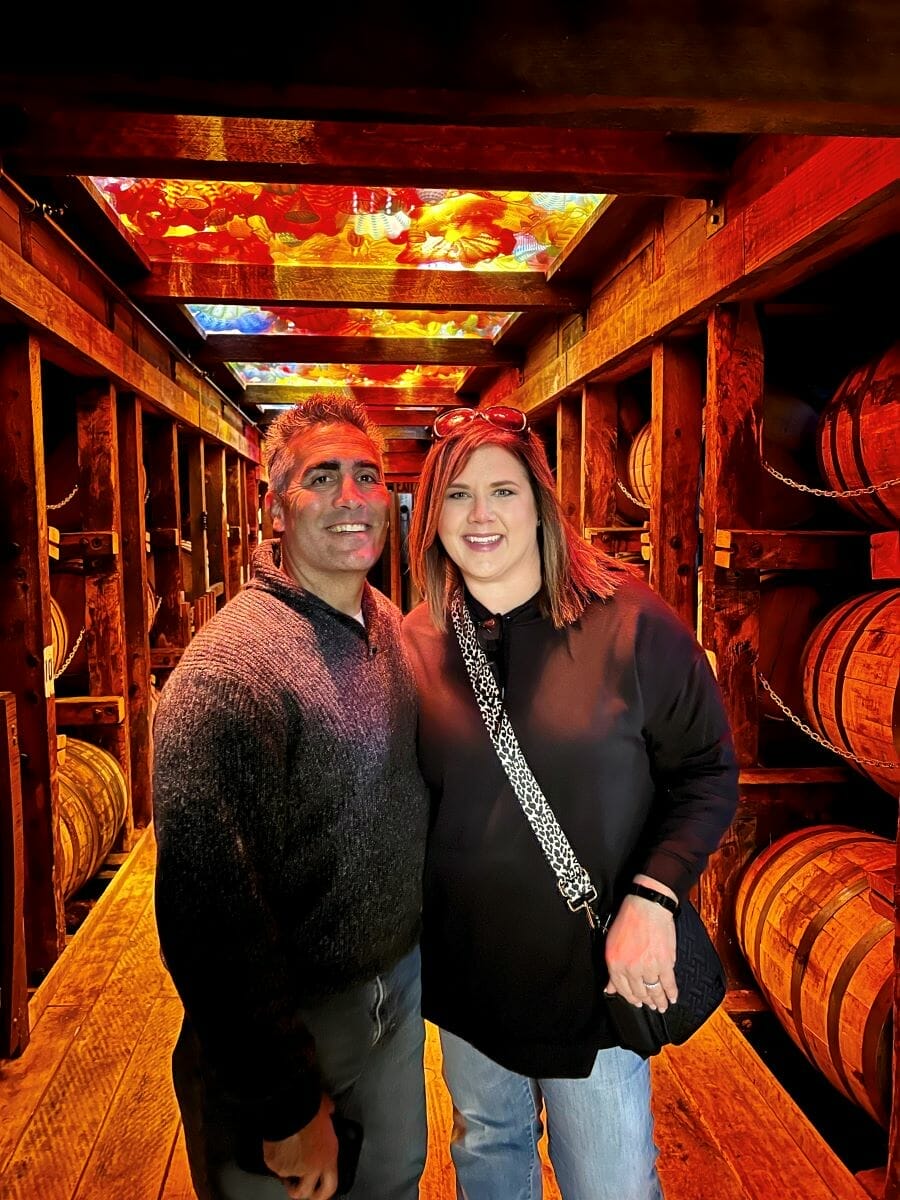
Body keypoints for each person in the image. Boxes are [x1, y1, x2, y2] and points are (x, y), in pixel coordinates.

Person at [401, 405, 739, 1200]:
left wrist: (655, 895)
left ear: (541, 502)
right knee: (488, 1153)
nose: (480, 516)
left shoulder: (632, 623)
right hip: (468, 978)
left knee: (611, 1184)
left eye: (503, 492)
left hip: (592, 976)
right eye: (457, 495)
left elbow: (707, 772)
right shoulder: (416, 641)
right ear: (431, 516)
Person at [152, 395, 430, 1200]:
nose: (352, 497)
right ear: (271, 505)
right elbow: (210, 923)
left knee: (395, 1180)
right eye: (322, 477)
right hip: (293, 1029)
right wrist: (283, 1107)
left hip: (391, 1000)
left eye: (368, 475)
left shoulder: (387, 627)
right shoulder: (230, 678)